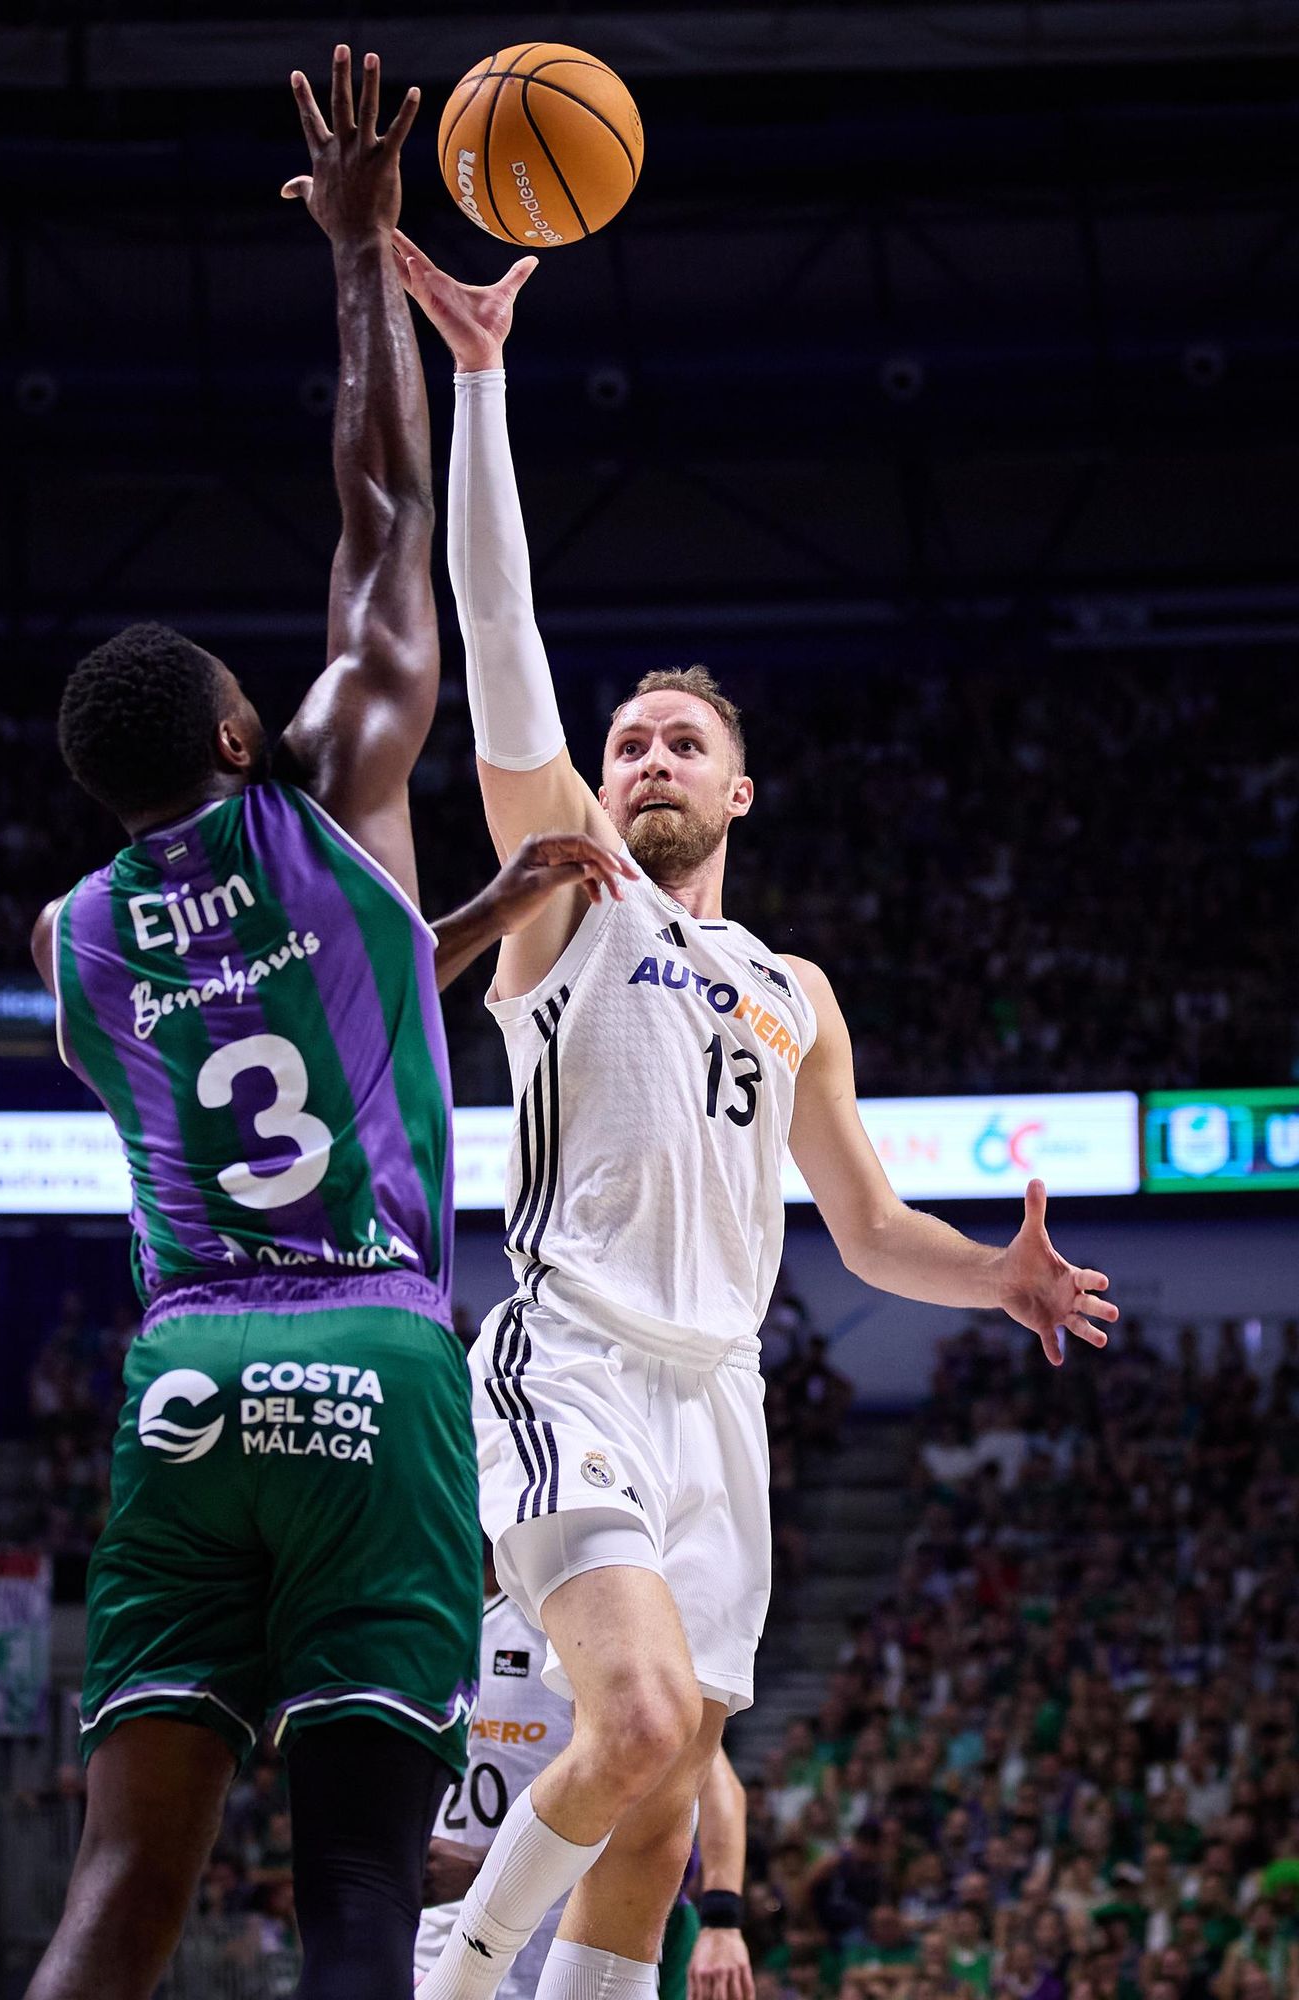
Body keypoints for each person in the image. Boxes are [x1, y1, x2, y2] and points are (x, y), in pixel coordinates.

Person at [397, 231, 1120, 2000]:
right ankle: (449, 1965)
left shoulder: (794, 986)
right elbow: (500, 634)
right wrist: (479, 384)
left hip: (724, 1398)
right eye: (627, 738)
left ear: (738, 785)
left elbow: (869, 1231)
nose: (642, 759)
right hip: (571, 1357)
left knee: (652, 1817)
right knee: (632, 1713)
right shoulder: (568, 897)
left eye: (676, 745)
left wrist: (1000, 1284)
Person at [22, 50, 630, 2000]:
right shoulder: (326, 789)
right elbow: (377, 518)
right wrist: (365, 261)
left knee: (118, 1895)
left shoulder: (70, 943)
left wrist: (467, 918)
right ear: (231, 731)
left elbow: (275, 1024)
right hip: (374, 1345)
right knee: (366, 1890)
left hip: (184, 1380)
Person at [416, 1550, 751, 2000]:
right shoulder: (449, 1634)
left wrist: (722, 1920)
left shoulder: (613, 1643)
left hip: (575, 1939)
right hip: (439, 1933)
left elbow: (715, 1786)